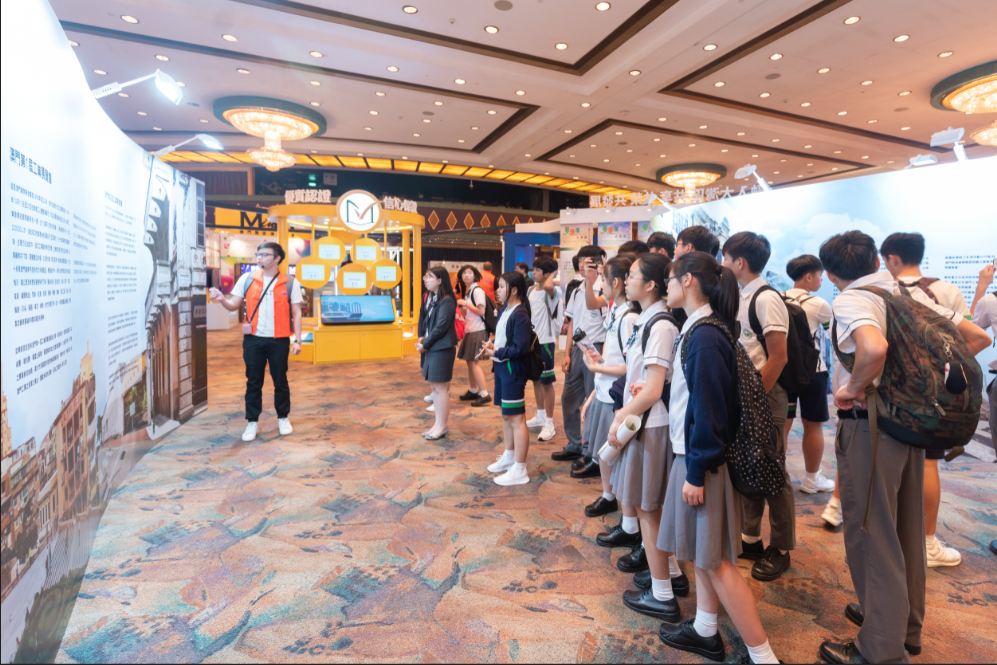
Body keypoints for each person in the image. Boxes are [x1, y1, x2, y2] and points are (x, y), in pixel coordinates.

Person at [816, 231, 991, 665]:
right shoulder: (909, 294)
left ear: (832, 274)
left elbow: (873, 347)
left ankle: (880, 647)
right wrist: (919, 387)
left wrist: (854, 388)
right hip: (910, 428)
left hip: (871, 427)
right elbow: (976, 339)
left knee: (871, 534)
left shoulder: (852, 299)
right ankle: (903, 626)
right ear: (877, 260)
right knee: (906, 530)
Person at [657, 251, 780, 665]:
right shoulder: (702, 329)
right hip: (698, 458)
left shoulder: (705, 336)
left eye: (671, 279)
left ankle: (763, 656)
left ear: (688, 280)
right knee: (706, 557)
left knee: (719, 564)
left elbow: (709, 414)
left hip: (703, 462)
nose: (667, 286)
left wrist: (695, 471)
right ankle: (705, 629)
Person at [881, 232, 971, 568]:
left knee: (888, 462)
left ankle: (892, 540)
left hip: (890, 395)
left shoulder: (880, 293)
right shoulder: (947, 291)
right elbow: (970, 341)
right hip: (932, 398)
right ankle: (928, 542)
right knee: (928, 463)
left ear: (891, 258)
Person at [605, 253, 685, 622]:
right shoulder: (648, 320)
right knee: (645, 506)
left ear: (650, 284)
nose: (627, 279)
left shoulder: (660, 324)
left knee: (649, 509)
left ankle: (663, 594)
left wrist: (621, 415)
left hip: (650, 424)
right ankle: (669, 576)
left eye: (633, 275)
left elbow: (653, 390)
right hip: (644, 420)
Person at [721, 232, 794, 583]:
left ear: (739, 262)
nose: (722, 264)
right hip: (748, 394)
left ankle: (781, 547)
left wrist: (754, 398)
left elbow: (778, 357)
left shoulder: (766, 298)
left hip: (767, 394)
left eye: (725, 258)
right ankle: (750, 538)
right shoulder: (740, 294)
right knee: (748, 462)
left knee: (772, 469)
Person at [210, 242, 303, 443]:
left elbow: (296, 312)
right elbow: (233, 305)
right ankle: (252, 422)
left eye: (264, 254)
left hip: (279, 340)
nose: (259, 257)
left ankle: (283, 418)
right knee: (253, 381)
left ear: (277, 258)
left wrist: (297, 339)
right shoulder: (247, 279)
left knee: (280, 380)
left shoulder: (290, 282)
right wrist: (222, 299)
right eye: (258, 254)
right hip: (253, 340)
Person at [579, 256, 640, 504]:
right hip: (603, 389)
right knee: (604, 451)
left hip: (616, 394)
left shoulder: (630, 318)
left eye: (602, 279)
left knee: (613, 451)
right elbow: (613, 355)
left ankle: (619, 503)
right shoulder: (615, 310)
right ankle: (608, 495)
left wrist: (598, 368)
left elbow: (631, 366)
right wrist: (600, 364)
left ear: (616, 282)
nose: (600, 284)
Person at [784, 255, 835, 494]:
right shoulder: (819, 304)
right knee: (813, 426)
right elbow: (833, 336)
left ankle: (777, 477)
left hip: (784, 370)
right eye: (819, 276)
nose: (821, 280)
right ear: (808, 277)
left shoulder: (777, 298)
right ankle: (812, 479)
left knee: (782, 426)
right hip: (813, 372)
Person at [554, 245, 608, 462]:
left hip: (597, 349)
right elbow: (572, 323)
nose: (583, 267)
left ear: (598, 264)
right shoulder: (576, 291)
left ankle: (589, 449)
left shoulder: (604, 291)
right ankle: (574, 444)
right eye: (581, 263)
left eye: (588, 263)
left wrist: (603, 356)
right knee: (569, 397)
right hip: (577, 349)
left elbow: (608, 327)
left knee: (593, 400)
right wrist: (567, 354)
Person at [480, 272, 534, 486]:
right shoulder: (505, 310)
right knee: (506, 415)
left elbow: (520, 348)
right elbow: (505, 339)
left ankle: (520, 468)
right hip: (502, 367)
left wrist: (495, 352)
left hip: (513, 369)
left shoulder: (520, 314)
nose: (497, 290)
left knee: (517, 418)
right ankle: (510, 456)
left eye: (501, 286)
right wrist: (493, 346)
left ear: (514, 289)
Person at [417, 267, 459, 441]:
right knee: (434, 387)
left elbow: (441, 327)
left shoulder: (447, 300)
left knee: (440, 389)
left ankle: (442, 426)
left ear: (440, 280)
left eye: (430, 277)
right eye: (425, 276)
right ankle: (438, 424)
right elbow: (429, 324)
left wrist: (425, 344)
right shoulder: (434, 298)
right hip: (434, 347)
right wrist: (423, 340)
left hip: (442, 348)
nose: (425, 279)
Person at [526, 258, 564, 442]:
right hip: (532, 341)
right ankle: (540, 415)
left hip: (546, 342)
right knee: (536, 379)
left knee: (546, 383)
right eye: (533, 269)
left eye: (538, 270)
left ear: (548, 274)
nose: (533, 272)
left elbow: (549, 285)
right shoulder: (531, 290)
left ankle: (549, 423)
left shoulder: (554, 291)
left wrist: (554, 270)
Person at [455, 265, 492, 408]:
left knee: (474, 362)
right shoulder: (470, 290)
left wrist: (464, 303)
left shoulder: (477, 290)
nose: (466, 275)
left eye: (469, 273)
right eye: (464, 273)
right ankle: (473, 390)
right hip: (471, 329)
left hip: (477, 329)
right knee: (470, 361)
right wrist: (466, 310)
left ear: (475, 275)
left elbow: (481, 311)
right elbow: (474, 311)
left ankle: (484, 394)